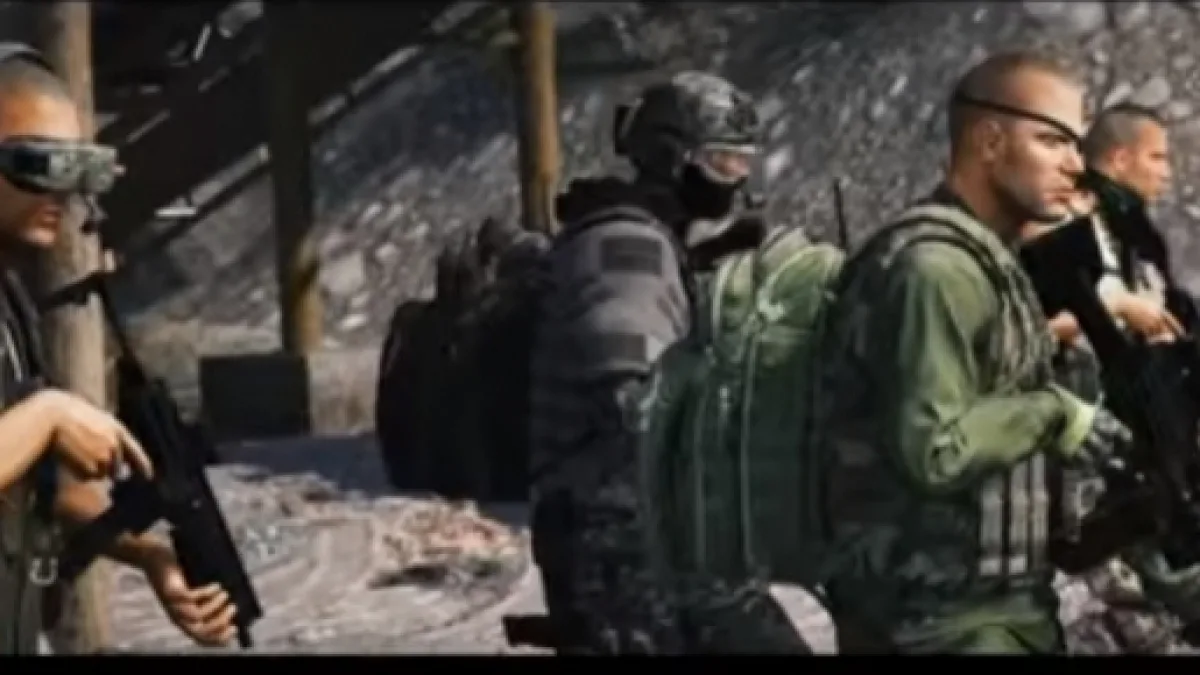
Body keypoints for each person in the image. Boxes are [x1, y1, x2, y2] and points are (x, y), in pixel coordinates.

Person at [807, 52, 1143, 654]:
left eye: (1077, 144)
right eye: (1052, 141)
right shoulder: (935, 270)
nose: (1076, 165)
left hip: (995, 607)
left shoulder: (990, 264)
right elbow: (935, 449)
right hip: (935, 619)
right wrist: (1053, 413)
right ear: (989, 141)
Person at [528, 71, 803, 653]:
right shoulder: (627, 252)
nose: (738, 181)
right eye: (723, 163)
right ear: (671, 158)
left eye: (744, 164)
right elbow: (637, 404)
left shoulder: (649, 244)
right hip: (625, 546)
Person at [0, 44, 236, 654]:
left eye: (79, 169)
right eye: (40, 165)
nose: (63, 193)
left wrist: (150, 555)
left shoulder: (10, 304)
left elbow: (39, 486)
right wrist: (49, 415)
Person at [1028, 104, 1200, 654]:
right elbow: (1044, 316)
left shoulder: (1130, 232)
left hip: (1147, 424)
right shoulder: (1062, 226)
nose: (1167, 171)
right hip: (1097, 443)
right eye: (1157, 157)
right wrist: (1117, 307)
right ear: (1120, 159)